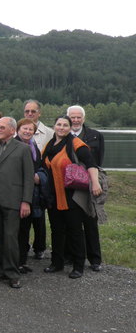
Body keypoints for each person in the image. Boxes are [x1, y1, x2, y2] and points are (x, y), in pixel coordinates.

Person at [42, 115, 102, 279]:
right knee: (56, 230)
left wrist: (95, 183)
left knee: (75, 230)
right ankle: (57, 263)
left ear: (70, 128)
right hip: (53, 195)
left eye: (65, 125)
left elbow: (91, 164)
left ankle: (78, 266)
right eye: (59, 124)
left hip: (72, 194)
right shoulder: (49, 144)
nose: (61, 127)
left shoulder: (76, 144)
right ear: (54, 126)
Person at [0, 117, 34, 289]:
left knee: (11, 237)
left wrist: (26, 201)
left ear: (12, 130)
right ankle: (1, 270)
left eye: (2, 127)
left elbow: (28, 178)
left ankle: (13, 273)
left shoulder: (23, 149)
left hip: (13, 200)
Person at [68, 105, 104, 271]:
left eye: (78, 117)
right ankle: (72, 256)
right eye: (72, 117)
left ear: (83, 118)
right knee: (72, 223)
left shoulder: (96, 135)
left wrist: (95, 181)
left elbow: (99, 162)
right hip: (69, 185)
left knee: (90, 221)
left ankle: (95, 259)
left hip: (89, 185)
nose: (75, 120)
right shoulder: (63, 135)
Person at [15, 118, 46, 269]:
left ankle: (23, 259)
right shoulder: (13, 145)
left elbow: (39, 166)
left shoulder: (34, 146)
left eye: (30, 130)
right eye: (24, 129)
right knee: (20, 228)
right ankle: (19, 260)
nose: (27, 132)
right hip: (17, 192)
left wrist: (39, 177)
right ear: (17, 130)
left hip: (33, 191)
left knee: (28, 225)